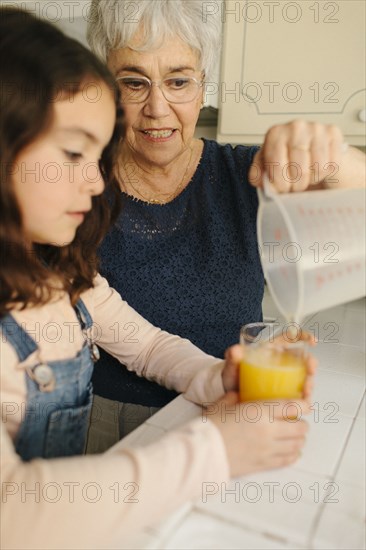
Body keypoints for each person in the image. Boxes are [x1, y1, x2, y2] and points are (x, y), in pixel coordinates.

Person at [0, 8, 317, 549]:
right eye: (75, 154)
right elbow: (15, 511)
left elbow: (145, 344)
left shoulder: (62, 282)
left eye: (97, 156)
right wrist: (217, 451)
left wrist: (219, 378)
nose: (98, 183)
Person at [85, 0, 366, 450]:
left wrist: (338, 156)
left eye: (179, 81)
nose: (157, 107)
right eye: (134, 83)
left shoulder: (251, 174)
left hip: (233, 410)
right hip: (100, 421)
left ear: (203, 88)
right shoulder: (75, 188)